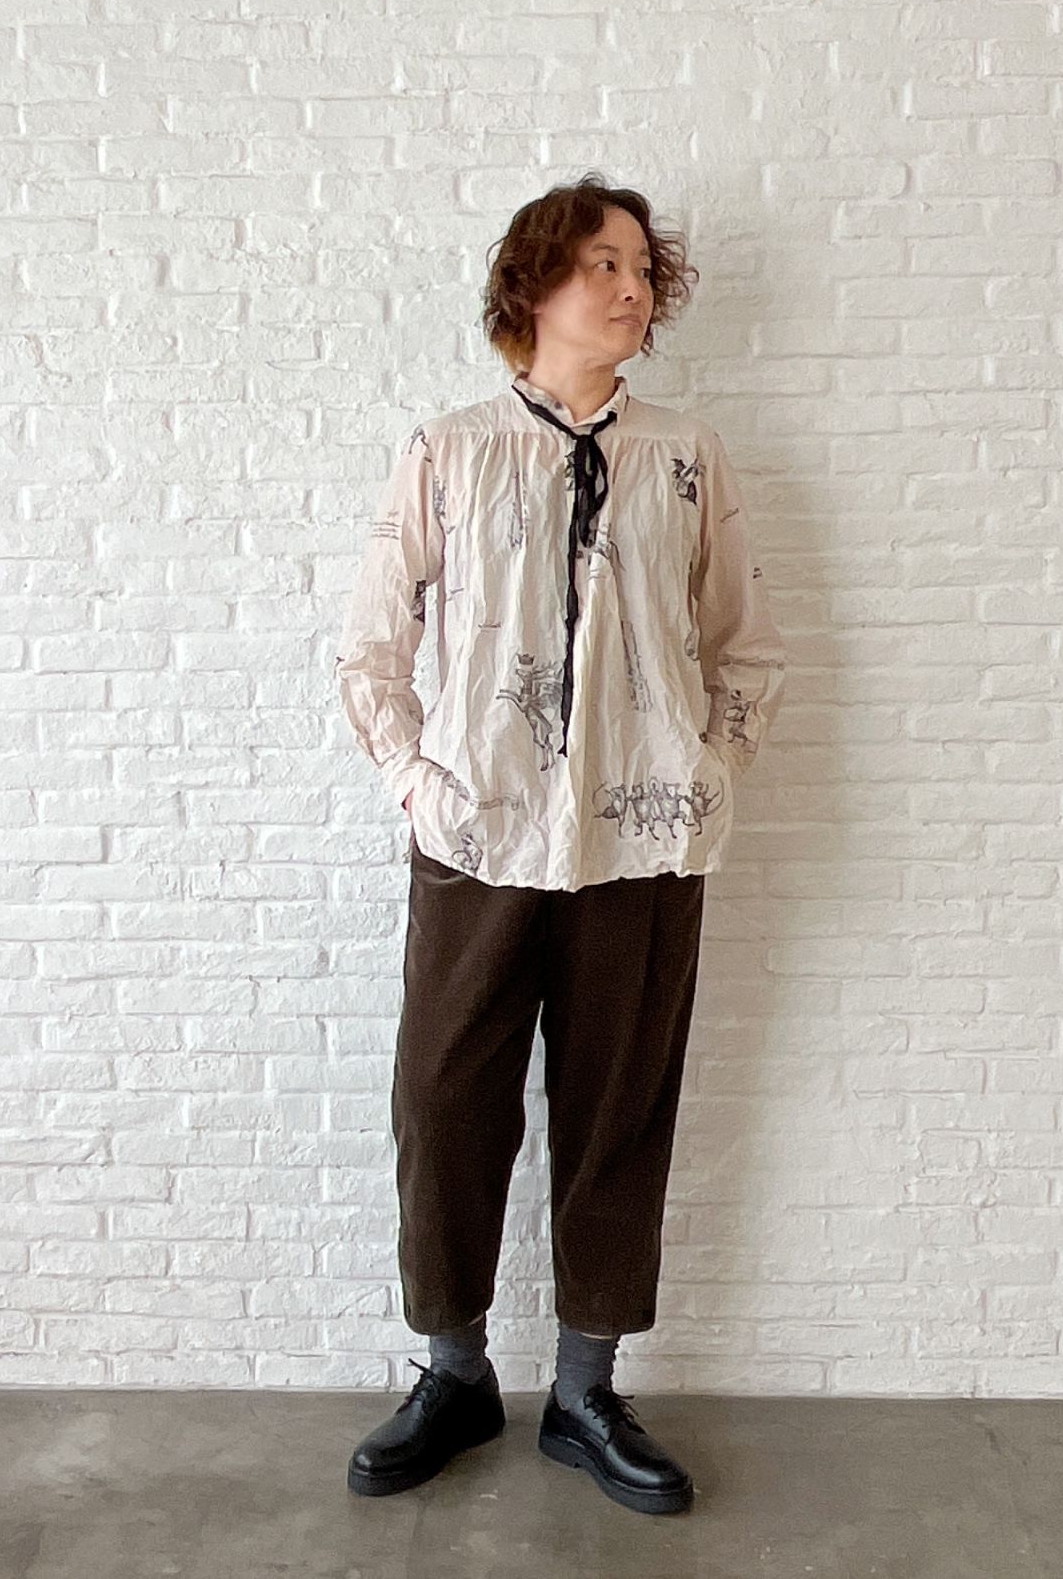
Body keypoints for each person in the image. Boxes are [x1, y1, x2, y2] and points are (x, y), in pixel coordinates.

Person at [334, 171, 787, 1516]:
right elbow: (372, 647)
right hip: (476, 837)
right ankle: (455, 1371)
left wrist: (706, 771)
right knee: (445, 1101)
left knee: (617, 1109)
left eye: (644, 268)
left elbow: (746, 646)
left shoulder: (687, 457)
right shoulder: (450, 450)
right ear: (533, 285)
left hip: (641, 848)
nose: (633, 288)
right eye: (604, 264)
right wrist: (415, 781)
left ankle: (587, 1391)